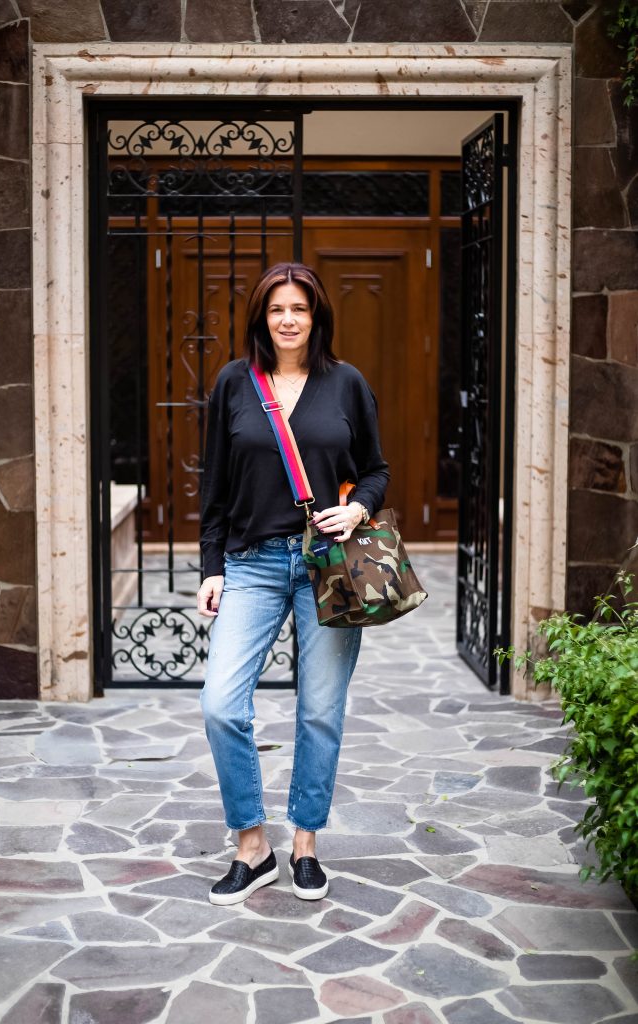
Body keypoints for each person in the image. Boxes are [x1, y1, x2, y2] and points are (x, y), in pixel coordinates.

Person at [197, 262, 389, 906]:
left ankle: (305, 842)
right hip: (252, 563)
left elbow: (377, 471)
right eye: (277, 308)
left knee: (319, 710)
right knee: (221, 702)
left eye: (300, 309)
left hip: (327, 567)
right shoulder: (233, 383)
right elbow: (215, 489)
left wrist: (359, 508)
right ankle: (252, 845)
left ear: (316, 317)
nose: (288, 319)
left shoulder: (347, 384)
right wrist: (212, 568)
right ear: (261, 316)